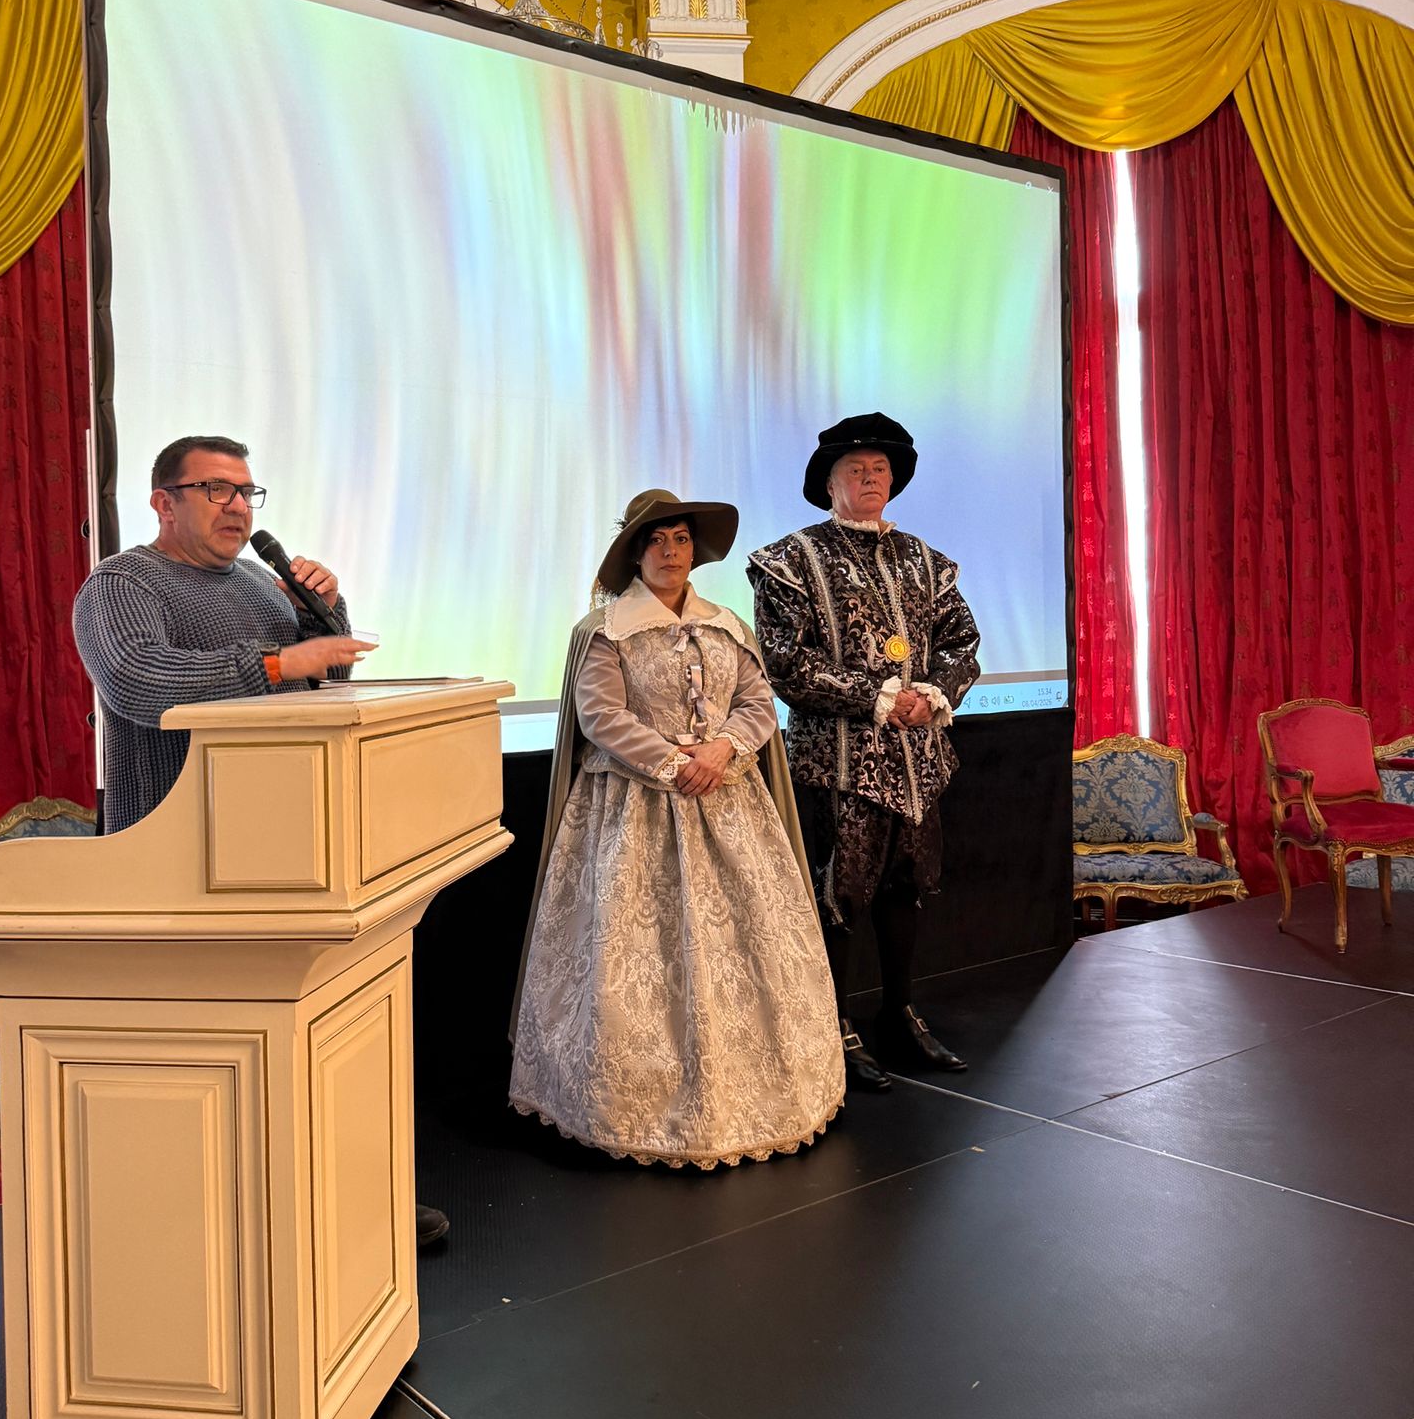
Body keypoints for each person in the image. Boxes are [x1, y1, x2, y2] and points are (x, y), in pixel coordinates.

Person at [73, 435, 448, 1248]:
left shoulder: (255, 581)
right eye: (216, 489)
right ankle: (208, 1228)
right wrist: (279, 662)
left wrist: (324, 616)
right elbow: (141, 684)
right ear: (162, 501)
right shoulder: (121, 586)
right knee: (208, 1065)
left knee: (305, 1045)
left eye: (247, 491)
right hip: (175, 857)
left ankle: (337, 1212)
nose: (238, 506)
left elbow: (324, 680)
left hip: (288, 853)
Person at [509, 489, 845, 1170]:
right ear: (636, 552)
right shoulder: (605, 630)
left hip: (728, 800)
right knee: (632, 954)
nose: (671, 551)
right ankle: (630, 1106)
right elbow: (600, 715)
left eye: (682, 539)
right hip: (633, 809)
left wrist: (721, 749)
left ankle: (762, 1093)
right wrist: (672, 763)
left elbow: (756, 700)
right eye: (657, 540)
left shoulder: (727, 626)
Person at [748, 413, 981, 1089]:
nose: (870, 477)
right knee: (839, 895)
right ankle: (834, 1027)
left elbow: (962, 642)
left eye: (880, 468)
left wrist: (932, 695)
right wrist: (877, 696)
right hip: (838, 763)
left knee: (906, 890)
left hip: (917, 761)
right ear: (829, 483)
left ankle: (899, 1014)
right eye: (855, 469)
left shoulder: (925, 561)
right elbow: (786, 664)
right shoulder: (790, 562)